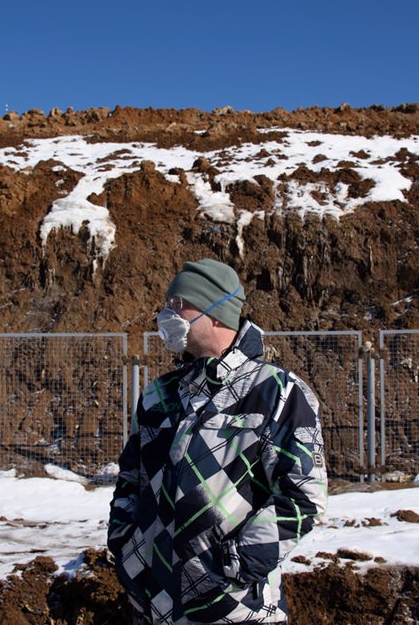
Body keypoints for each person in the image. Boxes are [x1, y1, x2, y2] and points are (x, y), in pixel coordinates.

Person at [108, 259, 328, 624]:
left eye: (178, 305)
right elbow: (131, 478)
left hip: (232, 609)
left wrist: (233, 564)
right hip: (153, 605)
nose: (166, 313)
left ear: (216, 313)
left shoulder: (277, 392)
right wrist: (124, 543)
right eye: (167, 304)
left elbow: (302, 497)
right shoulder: (159, 395)